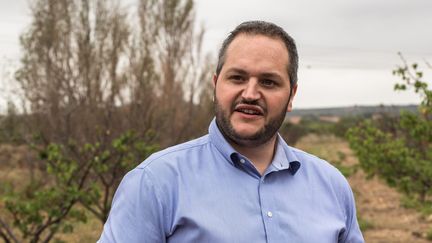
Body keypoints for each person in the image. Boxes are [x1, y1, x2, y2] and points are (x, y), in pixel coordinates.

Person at [98, 20, 364, 243]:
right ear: (216, 86)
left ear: (291, 95)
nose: (250, 94)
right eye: (237, 78)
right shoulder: (155, 183)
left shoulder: (332, 186)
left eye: (268, 82)